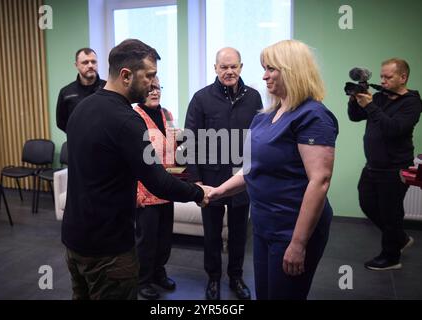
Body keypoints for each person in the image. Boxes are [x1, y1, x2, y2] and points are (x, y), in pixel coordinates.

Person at [62, 39, 209, 300]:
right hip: (109, 252)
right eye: (149, 76)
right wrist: (199, 193)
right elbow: (158, 182)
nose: (154, 84)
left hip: (75, 242)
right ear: (126, 75)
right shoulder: (127, 121)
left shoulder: (82, 109)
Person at [209, 40, 339, 300]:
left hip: (292, 229)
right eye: (264, 68)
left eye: (271, 69)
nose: (264, 75)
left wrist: (299, 243)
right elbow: (249, 169)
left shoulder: (313, 116)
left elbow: (320, 181)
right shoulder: (265, 116)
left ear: (292, 70)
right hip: (263, 225)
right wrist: (216, 192)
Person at [184, 47, 263, 300]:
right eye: (224, 67)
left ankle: (236, 277)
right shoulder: (201, 98)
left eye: (234, 66)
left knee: (239, 233)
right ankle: (214, 279)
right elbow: (191, 141)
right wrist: (196, 180)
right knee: (212, 234)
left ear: (241, 67)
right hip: (210, 180)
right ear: (215, 68)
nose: (229, 71)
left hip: (242, 178)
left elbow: (257, 137)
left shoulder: (254, 97)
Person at [348, 58, 421, 271]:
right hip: (373, 165)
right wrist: (355, 99)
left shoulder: (412, 102)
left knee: (391, 214)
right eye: (381, 76)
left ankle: (391, 257)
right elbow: (354, 117)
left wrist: (370, 105)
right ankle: (399, 238)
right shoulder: (379, 97)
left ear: (403, 77)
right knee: (367, 203)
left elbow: (393, 129)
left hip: (395, 168)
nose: (383, 80)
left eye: (388, 77)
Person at [134, 77, 178, 300]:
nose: (154, 92)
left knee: (164, 239)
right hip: (145, 192)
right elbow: (130, 157)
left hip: (166, 189)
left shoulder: (167, 115)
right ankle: (143, 280)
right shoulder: (134, 116)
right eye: (149, 88)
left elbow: (172, 149)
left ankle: (159, 272)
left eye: (157, 88)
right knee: (147, 240)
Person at [56, 48, 106, 132]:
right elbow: (61, 123)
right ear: (76, 65)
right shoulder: (66, 92)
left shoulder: (107, 88)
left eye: (93, 62)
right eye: (85, 62)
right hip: (77, 142)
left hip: (105, 142)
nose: (90, 65)